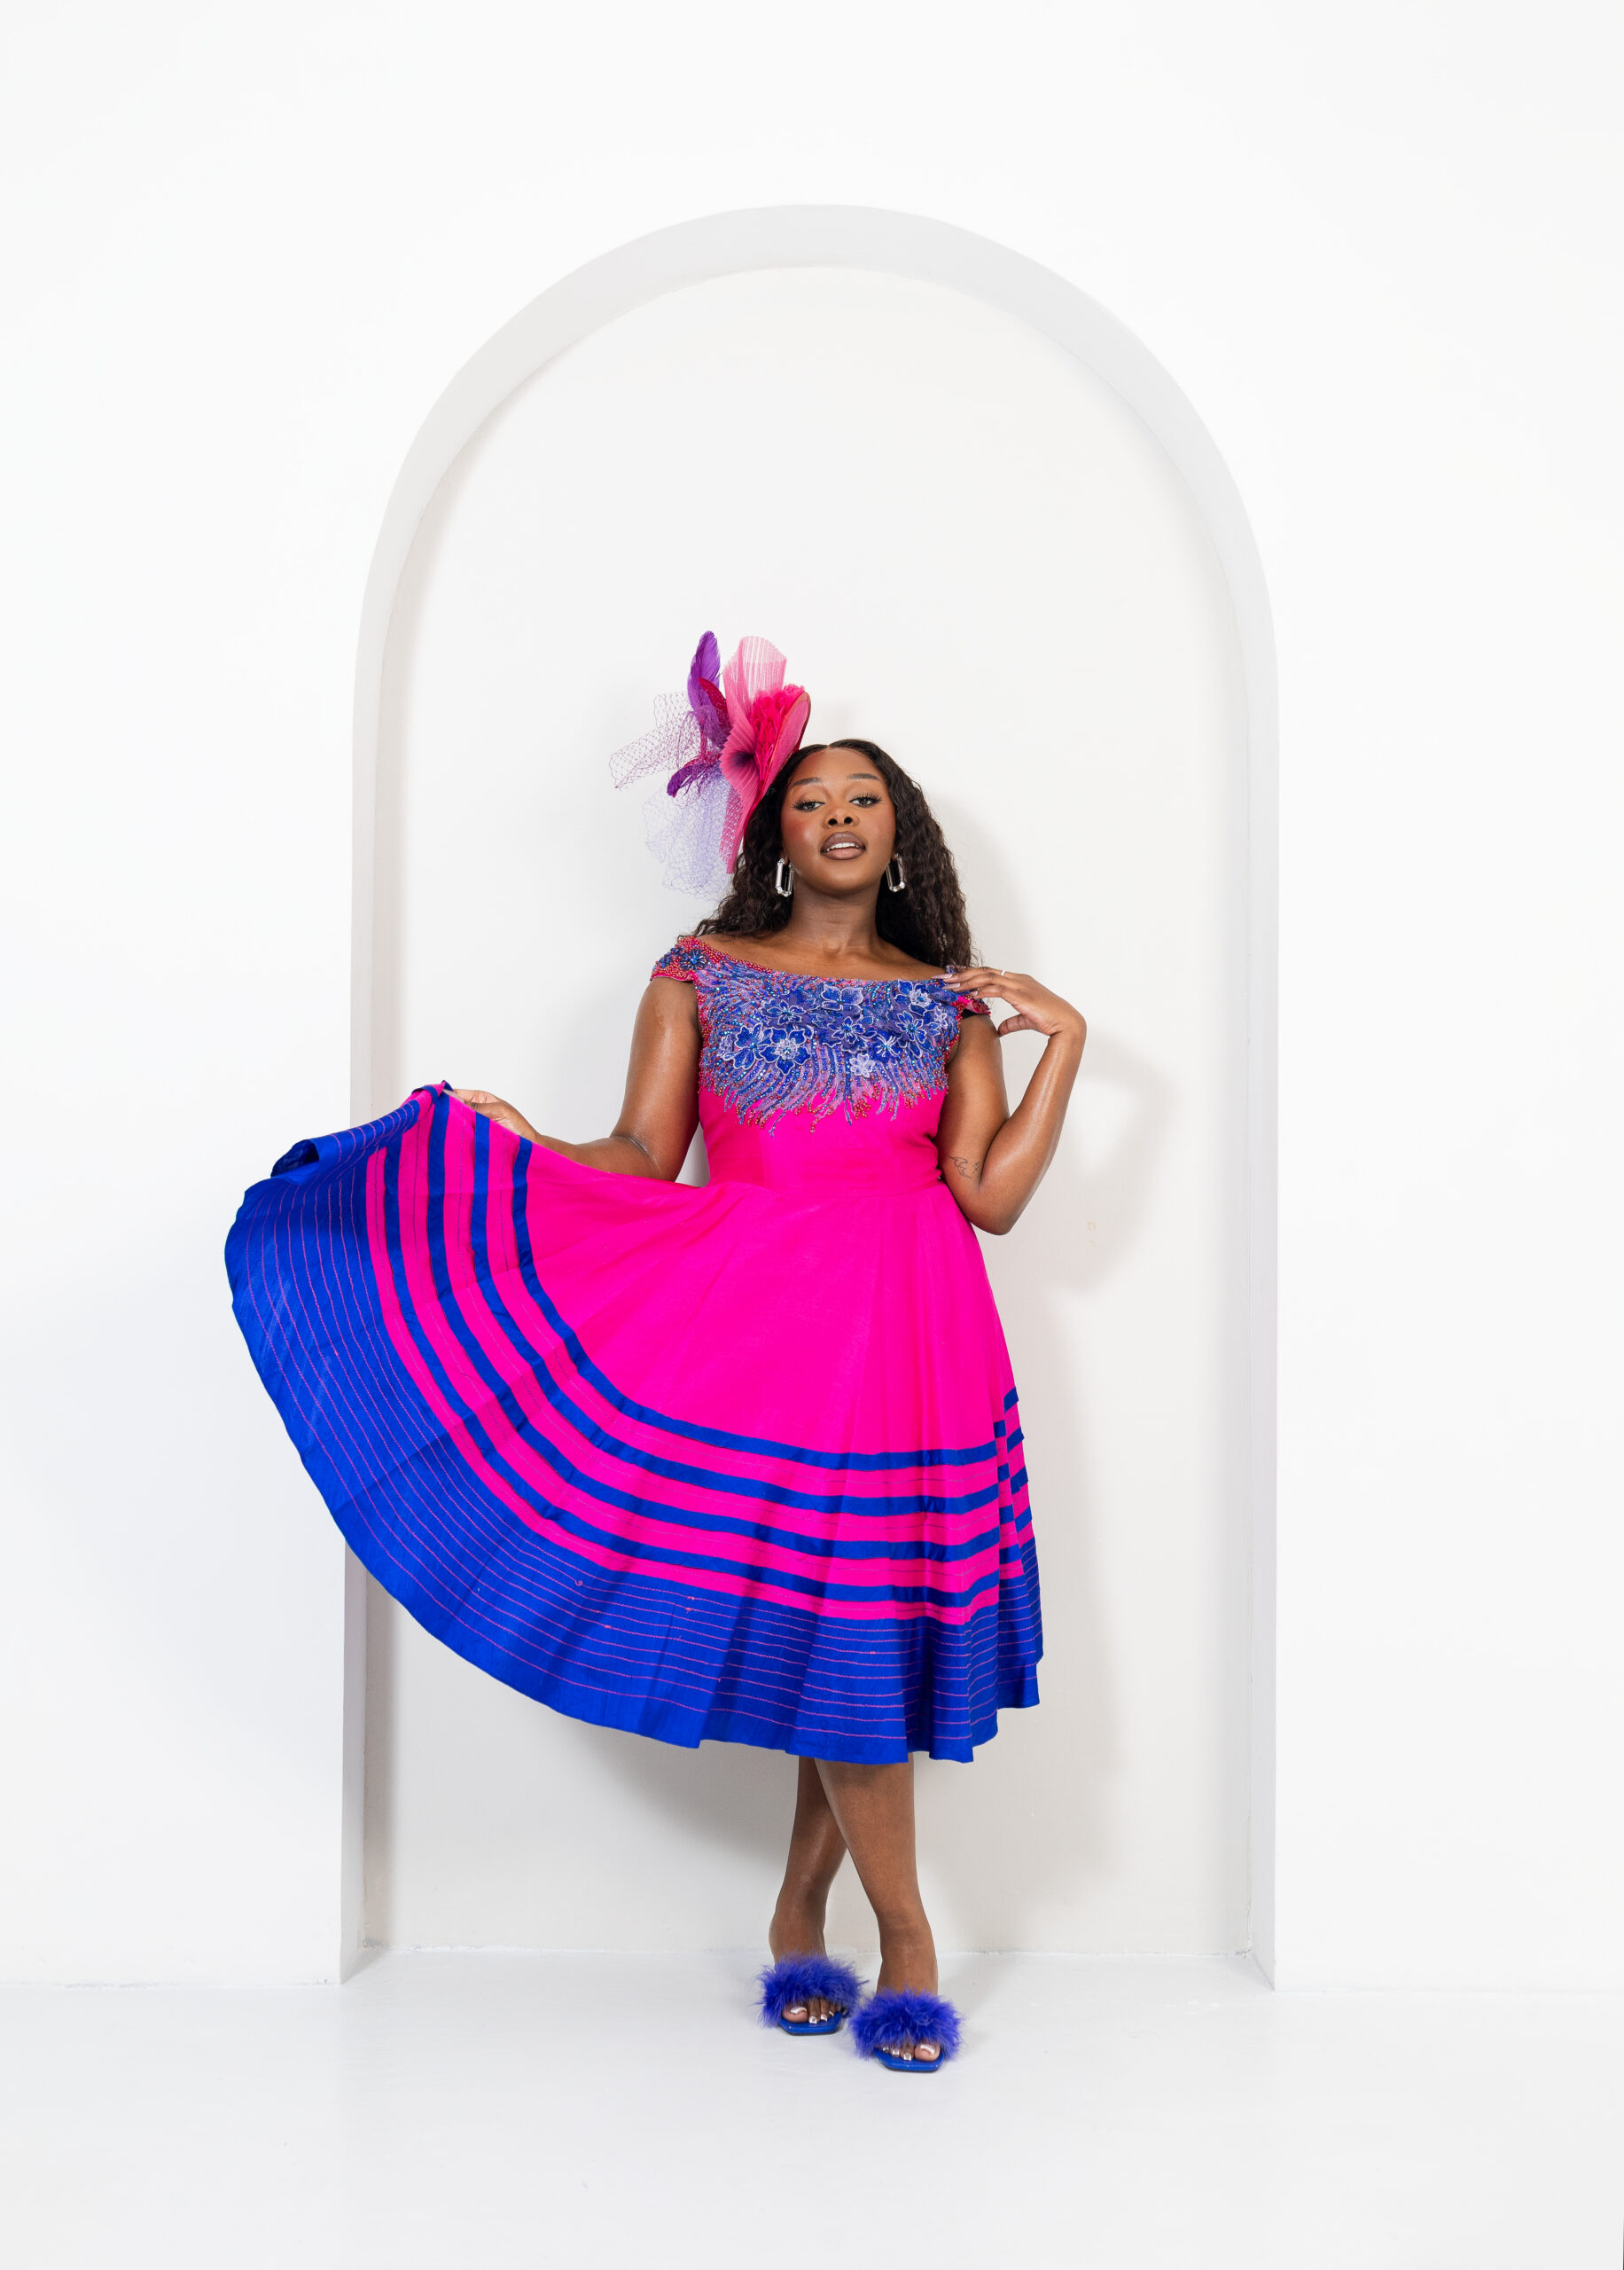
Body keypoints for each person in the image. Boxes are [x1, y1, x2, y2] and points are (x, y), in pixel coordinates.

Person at [227, 634, 1085, 2074]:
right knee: (840, 1629)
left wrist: (1065, 1042)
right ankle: (910, 1942)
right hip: (762, 1330)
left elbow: (990, 1198)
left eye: (863, 798)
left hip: (910, 1329)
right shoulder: (698, 972)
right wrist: (521, 1145)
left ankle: (804, 1911)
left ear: (903, 833)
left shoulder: (949, 1004)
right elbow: (642, 1151)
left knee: (856, 1629)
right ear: (774, 831)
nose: (838, 816)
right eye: (810, 798)